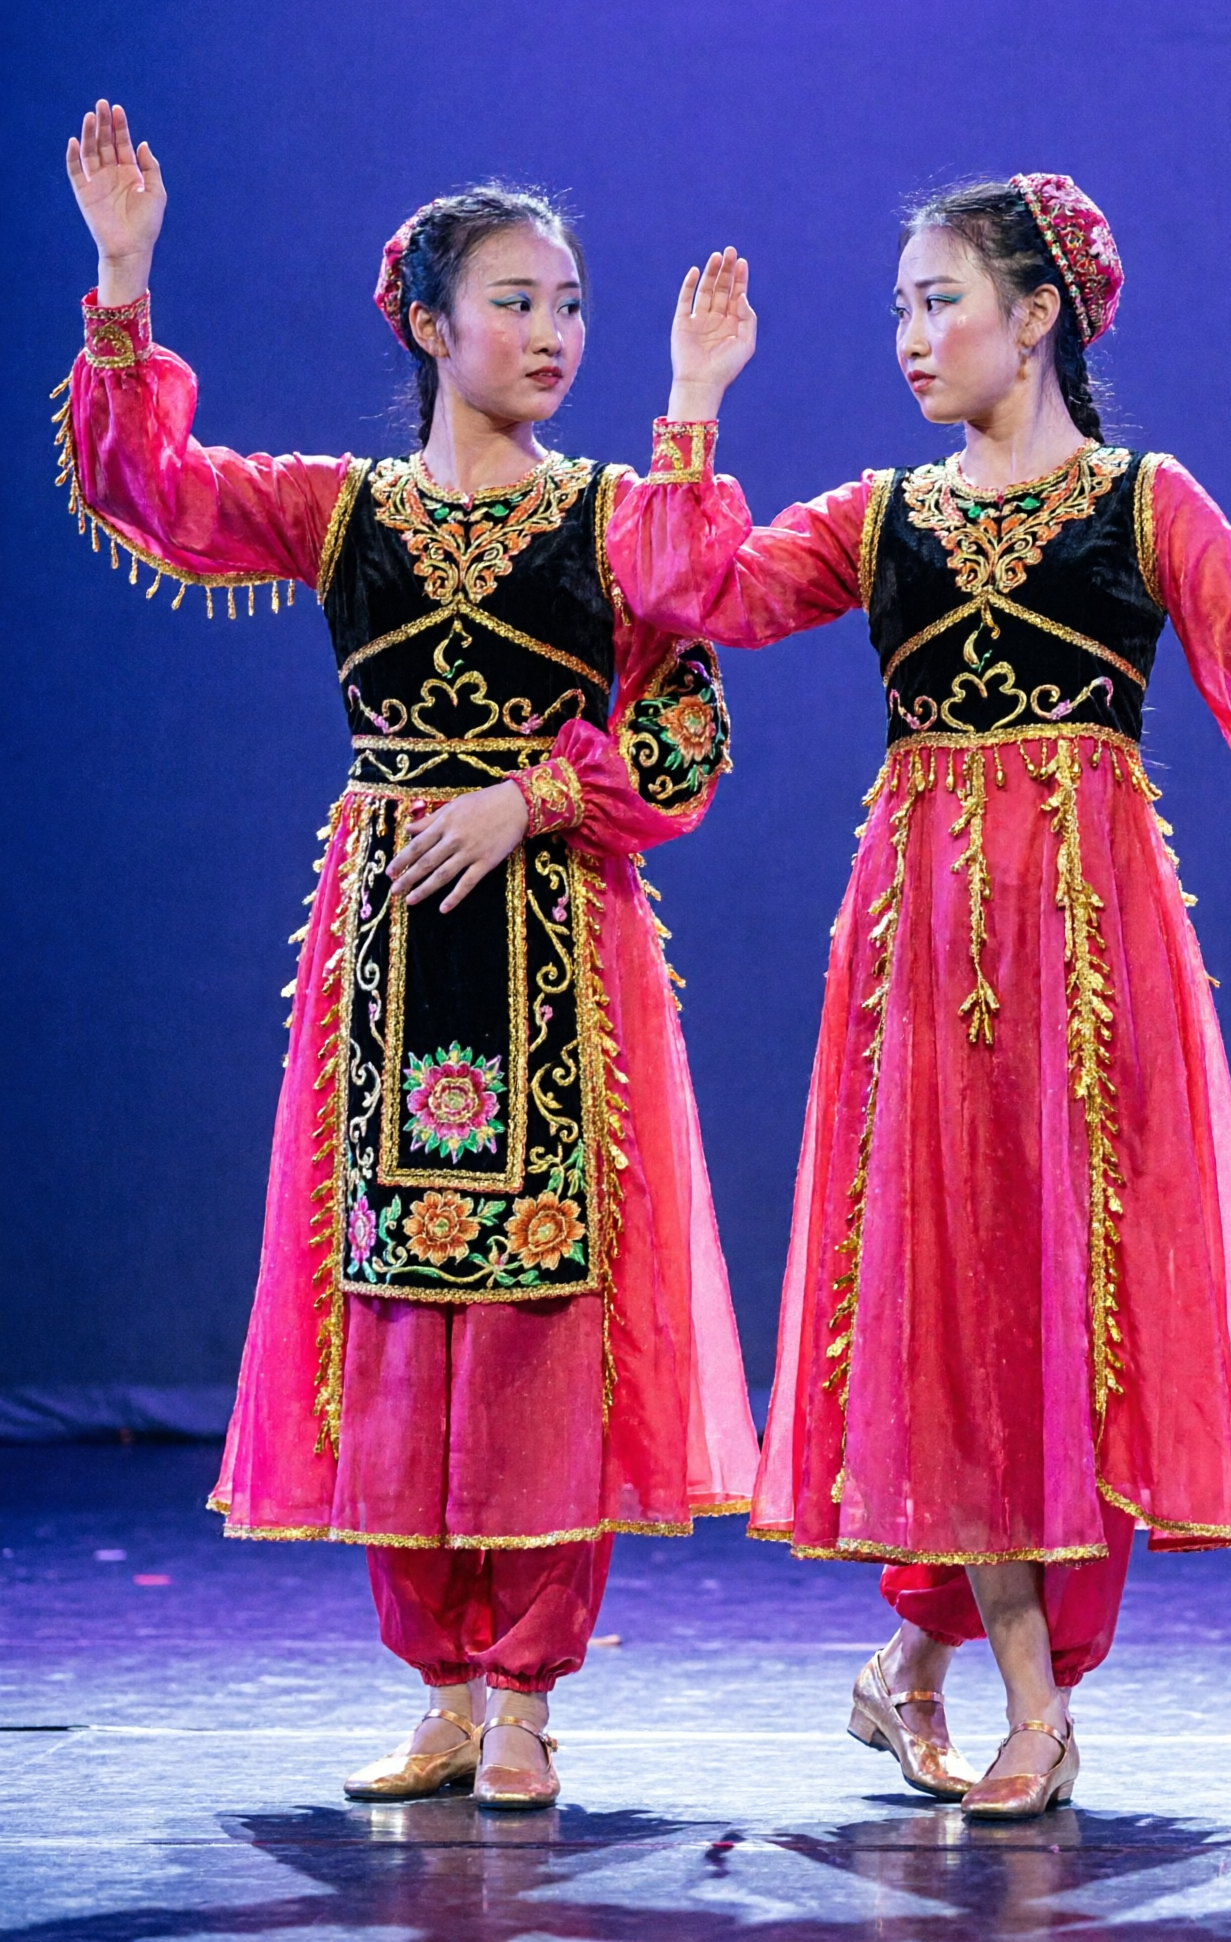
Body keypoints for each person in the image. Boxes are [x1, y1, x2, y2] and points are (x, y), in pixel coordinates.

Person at [612, 173, 1231, 1817]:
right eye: (902, 311)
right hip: (925, 947)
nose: (916, 339)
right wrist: (694, 404)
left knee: (1072, 1319)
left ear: (1040, 312)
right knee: (955, 1303)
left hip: (1093, 952)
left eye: (944, 301)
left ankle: (916, 1664)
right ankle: (1031, 1701)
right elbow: (689, 594)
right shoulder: (881, 518)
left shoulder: (1142, 502)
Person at [59, 101, 759, 1809]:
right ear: (432, 324)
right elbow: (151, 487)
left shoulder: (607, 518)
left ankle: (529, 1689)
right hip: (385, 945)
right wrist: (126, 277)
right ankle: (443, 1682)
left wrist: (535, 792)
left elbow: (685, 730)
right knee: (392, 1296)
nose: (552, 335)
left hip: (555, 954)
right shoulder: (345, 508)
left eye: (572, 305)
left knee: (538, 1306)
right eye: (517, 301)